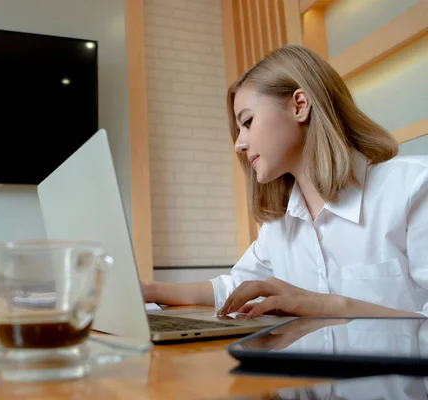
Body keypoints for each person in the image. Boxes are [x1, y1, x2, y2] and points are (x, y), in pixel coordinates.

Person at [142, 45, 428, 319]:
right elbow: (235, 289)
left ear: (300, 106)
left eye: (248, 122)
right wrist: (149, 291)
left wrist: (335, 306)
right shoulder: (279, 227)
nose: (239, 144)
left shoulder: (413, 187)